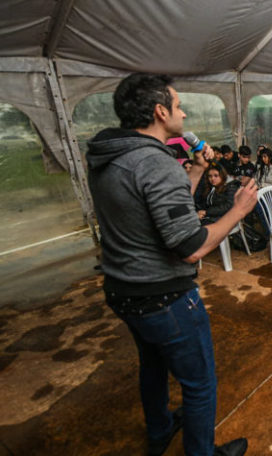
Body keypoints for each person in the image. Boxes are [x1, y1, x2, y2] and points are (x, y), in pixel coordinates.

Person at [85, 73, 253, 456]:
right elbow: (190, 246)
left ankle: (160, 430)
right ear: (161, 112)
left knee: (154, 366)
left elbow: (155, 211)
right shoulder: (153, 162)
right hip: (163, 296)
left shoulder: (109, 155)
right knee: (199, 384)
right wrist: (238, 211)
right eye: (178, 105)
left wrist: (194, 171)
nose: (184, 112)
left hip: (123, 289)